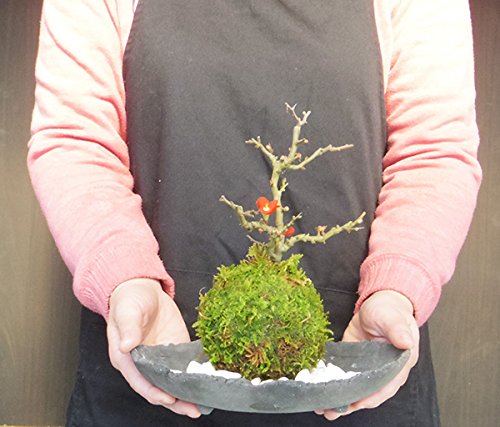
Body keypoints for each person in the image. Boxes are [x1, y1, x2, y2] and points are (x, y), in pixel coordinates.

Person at [28, 0, 481, 426]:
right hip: (147, 354)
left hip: (362, 364)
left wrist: (399, 287)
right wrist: (123, 278)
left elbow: (433, 151)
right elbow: (75, 139)